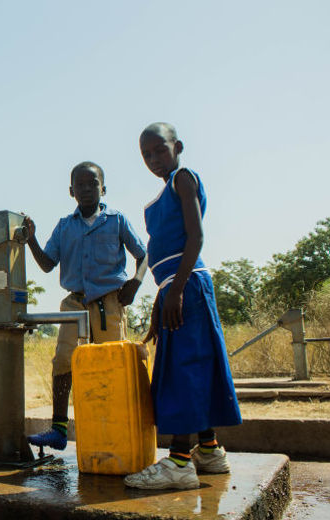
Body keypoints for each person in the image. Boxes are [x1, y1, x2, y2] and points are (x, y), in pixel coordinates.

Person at [123, 123, 241, 490]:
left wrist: (177, 290)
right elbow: (160, 251)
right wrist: (161, 293)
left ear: (177, 147)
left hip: (188, 284)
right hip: (175, 286)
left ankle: (178, 462)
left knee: (184, 370)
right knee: (195, 365)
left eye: (160, 150)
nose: (154, 159)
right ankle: (209, 450)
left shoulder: (182, 179)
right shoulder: (159, 198)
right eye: (146, 155)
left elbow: (197, 236)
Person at [24, 161, 147, 450]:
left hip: (110, 304)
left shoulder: (117, 220)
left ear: (104, 188)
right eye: (81, 185)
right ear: (71, 191)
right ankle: (58, 428)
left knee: (111, 364)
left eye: (93, 183)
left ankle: (114, 429)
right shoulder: (65, 226)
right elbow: (47, 264)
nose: (87, 189)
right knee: (64, 363)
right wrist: (32, 240)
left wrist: (135, 283)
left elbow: (143, 255)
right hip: (74, 304)